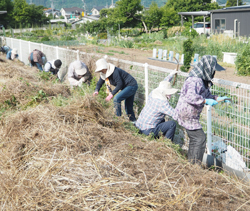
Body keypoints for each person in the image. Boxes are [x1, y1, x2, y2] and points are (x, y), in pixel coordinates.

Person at [174, 55, 228, 164]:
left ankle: (191, 164)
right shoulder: (194, 80)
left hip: (191, 114)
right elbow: (190, 96)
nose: (213, 72)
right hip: (187, 113)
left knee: (196, 139)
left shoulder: (202, 80)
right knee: (200, 138)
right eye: (213, 69)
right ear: (207, 68)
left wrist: (218, 98)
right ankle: (194, 166)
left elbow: (207, 94)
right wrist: (205, 101)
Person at [135, 71, 179, 141]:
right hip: (147, 131)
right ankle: (167, 144)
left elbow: (163, 84)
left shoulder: (153, 93)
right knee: (172, 124)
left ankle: (158, 139)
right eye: (169, 93)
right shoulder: (162, 103)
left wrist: (171, 75)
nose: (170, 95)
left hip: (139, 127)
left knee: (162, 120)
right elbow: (176, 115)